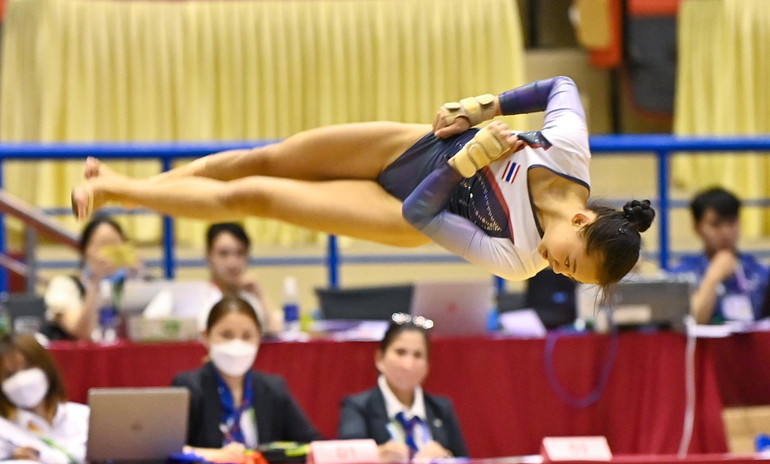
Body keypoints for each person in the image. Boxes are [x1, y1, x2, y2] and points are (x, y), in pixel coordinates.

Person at [71, 76, 655, 288]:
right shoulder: (568, 153)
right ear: (583, 221)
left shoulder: (520, 257)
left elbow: (418, 219)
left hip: (400, 208)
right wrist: (483, 107)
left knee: (255, 197)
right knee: (265, 158)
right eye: (572, 264)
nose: (558, 272)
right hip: (415, 145)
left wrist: (469, 162)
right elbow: (561, 88)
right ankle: (140, 182)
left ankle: (117, 191)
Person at [171, 295, 320, 457]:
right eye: (226, 335)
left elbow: (311, 445)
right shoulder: (189, 388)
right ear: (206, 337)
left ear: (259, 338)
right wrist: (215, 455)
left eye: (247, 336)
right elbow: (167, 450)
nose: (237, 344)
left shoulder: (273, 388)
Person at [338, 315, 467, 464]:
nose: (408, 364)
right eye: (400, 352)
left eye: (418, 355)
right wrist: (377, 456)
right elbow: (348, 461)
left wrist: (446, 458)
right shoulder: (357, 407)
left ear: (427, 366)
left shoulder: (442, 408)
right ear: (379, 358)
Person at [670, 187, 769, 324]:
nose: (725, 232)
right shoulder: (681, 276)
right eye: (715, 225)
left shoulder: (760, 273)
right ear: (697, 227)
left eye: (731, 222)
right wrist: (714, 276)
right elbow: (691, 321)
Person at [43, 215, 139, 341]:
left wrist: (138, 278)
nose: (109, 254)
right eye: (103, 246)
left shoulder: (132, 284)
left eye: (115, 246)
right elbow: (81, 332)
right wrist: (94, 284)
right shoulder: (63, 285)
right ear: (85, 250)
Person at [0, 334, 89, 464]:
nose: (22, 381)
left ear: (46, 367)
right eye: (10, 374)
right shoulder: (4, 430)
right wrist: (11, 460)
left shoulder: (85, 416)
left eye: (28, 368)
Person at [199, 222, 281, 334]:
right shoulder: (199, 299)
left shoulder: (252, 299)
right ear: (208, 255)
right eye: (223, 254)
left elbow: (276, 333)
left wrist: (260, 295)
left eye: (240, 253)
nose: (232, 263)